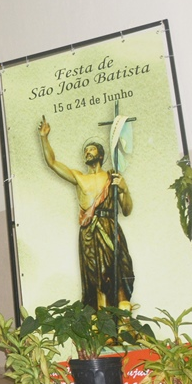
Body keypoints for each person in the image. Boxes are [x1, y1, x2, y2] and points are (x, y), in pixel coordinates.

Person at [39, 116, 135, 310]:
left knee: (117, 270)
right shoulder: (79, 177)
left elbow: (126, 210)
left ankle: (123, 317)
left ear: (100, 154)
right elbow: (52, 162)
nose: (87, 152)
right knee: (94, 275)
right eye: (85, 151)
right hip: (89, 232)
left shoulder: (112, 177)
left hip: (110, 228)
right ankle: (100, 317)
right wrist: (44, 138)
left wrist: (125, 189)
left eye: (91, 149)